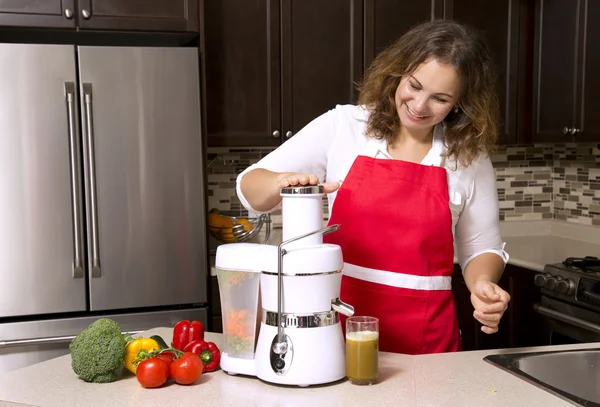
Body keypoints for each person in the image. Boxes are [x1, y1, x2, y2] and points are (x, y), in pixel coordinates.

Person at [235, 19, 510, 354]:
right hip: (333, 332)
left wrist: (482, 284)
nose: (419, 106)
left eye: (439, 98)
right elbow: (249, 187)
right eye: (414, 85)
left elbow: (482, 247)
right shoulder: (346, 126)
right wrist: (280, 183)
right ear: (398, 72)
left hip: (424, 344)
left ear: (461, 103)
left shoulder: (468, 156)